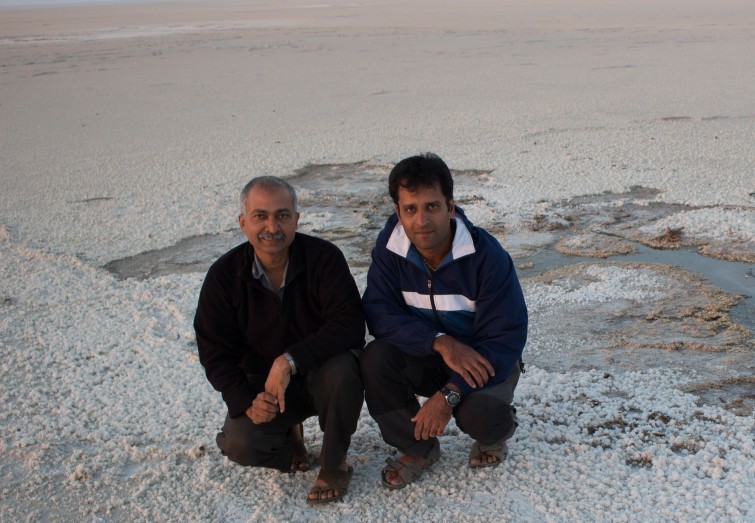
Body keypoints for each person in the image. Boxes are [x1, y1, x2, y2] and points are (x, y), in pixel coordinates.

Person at [194, 176, 365, 504]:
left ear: (297, 220)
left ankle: (334, 464)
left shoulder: (324, 258)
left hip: (320, 373)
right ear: (243, 223)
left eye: (282, 215)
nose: (272, 226)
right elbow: (213, 351)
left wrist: (289, 360)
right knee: (240, 444)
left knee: (345, 368)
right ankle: (291, 436)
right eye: (260, 216)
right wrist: (245, 400)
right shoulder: (223, 275)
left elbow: (351, 324)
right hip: (264, 387)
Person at [361, 153, 528, 489]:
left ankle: (497, 432)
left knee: (478, 415)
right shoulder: (390, 248)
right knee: (375, 358)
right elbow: (378, 310)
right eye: (410, 209)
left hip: (484, 358)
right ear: (398, 212)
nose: (422, 220)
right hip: (428, 353)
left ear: (450, 207)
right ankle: (417, 447)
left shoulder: (487, 258)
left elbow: (505, 338)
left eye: (432, 207)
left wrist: (449, 396)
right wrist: (438, 341)